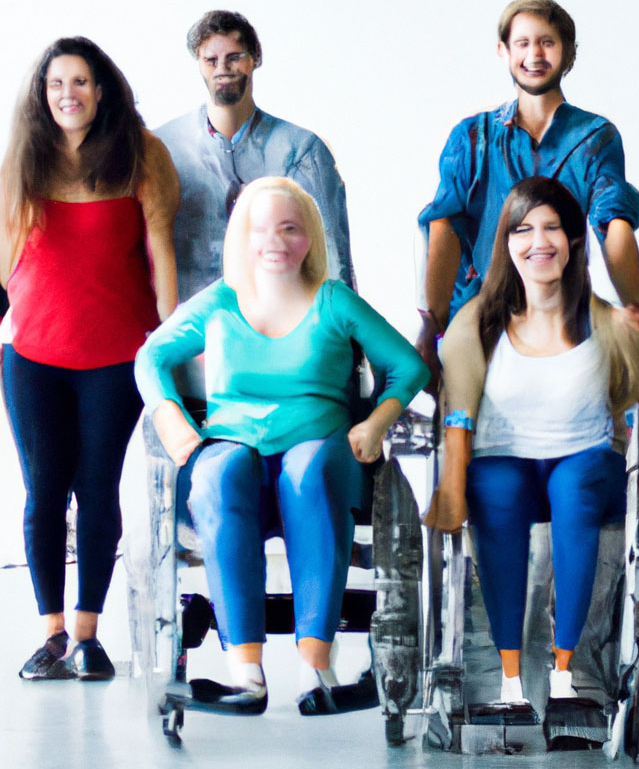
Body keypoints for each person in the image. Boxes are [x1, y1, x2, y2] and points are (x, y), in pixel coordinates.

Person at [135, 177, 428, 715]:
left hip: (317, 445)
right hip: (234, 445)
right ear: (241, 239)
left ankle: (316, 667)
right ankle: (246, 674)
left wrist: (377, 422)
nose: (275, 241)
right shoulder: (220, 302)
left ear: (310, 238)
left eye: (290, 228)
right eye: (261, 229)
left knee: (308, 472)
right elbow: (150, 358)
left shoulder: (334, 301)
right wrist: (171, 417)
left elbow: (407, 365)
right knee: (218, 474)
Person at [426, 176, 639, 705]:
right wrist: (451, 491)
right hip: (503, 455)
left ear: (575, 240)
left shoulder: (602, 319)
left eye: (552, 228)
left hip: (584, 454)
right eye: (524, 229)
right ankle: (509, 683)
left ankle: (563, 671)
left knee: (575, 493)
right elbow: (458, 415)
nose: (539, 241)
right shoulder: (479, 321)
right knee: (497, 494)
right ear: (507, 243)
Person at [0, 37, 179, 680]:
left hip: (116, 355)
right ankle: (50, 635)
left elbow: (161, 254)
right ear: (42, 93)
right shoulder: (24, 157)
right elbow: (6, 259)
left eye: (80, 81)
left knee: (96, 487)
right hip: (33, 354)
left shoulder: (140, 154)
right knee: (43, 492)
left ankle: (88, 636)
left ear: (100, 90)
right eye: (56, 84)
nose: (67, 94)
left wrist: (168, 342)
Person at [416, 0, 639, 413]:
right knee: (463, 415)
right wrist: (431, 325)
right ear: (504, 51)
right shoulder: (473, 137)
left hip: (566, 308)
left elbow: (614, 222)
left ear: (569, 53)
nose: (534, 54)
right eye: (522, 43)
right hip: (480, 308)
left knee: (612, 391)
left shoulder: (596, 137)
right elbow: (444, 227)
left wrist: (633, 307)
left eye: (547, 42)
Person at [155, 10, 354, 314]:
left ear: (255, 59)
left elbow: (333, 254)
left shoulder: (300, 150)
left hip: (282, 328)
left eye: (234, 57)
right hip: (192, 334)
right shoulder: (165, 149)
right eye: (211, 60)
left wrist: (345, 341)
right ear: (198, 63)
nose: (223, 68)